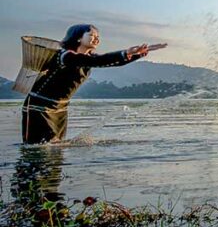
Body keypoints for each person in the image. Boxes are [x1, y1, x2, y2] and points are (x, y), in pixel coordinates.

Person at [21, 24, 165, 144]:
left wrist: (139, 53)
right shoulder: (66, 56)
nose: (96, 39)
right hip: (40, 106)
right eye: (91, 35)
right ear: (78, 38)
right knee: (37, 147)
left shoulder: (88, 57)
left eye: (98, 37)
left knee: (55, 148)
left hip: (60, 108)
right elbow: (99, 61)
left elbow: (109, 62)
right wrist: (127, 52)